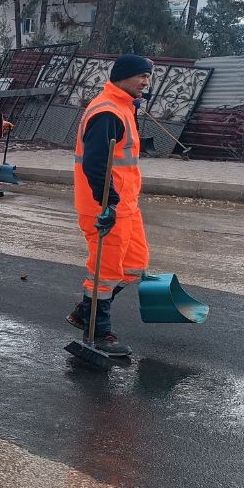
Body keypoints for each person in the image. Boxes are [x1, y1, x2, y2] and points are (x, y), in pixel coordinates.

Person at [66, 54, 155, 357]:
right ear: (122, 76)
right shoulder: (107, 112)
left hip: (126, 205)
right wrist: (110, 203)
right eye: (141, 76)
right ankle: (98, 330)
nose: (146, 82)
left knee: (135, 265)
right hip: (104, 206)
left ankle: (85, 311)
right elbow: (94, 164)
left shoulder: (123, 107)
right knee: (105, 272)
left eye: (148, 77)